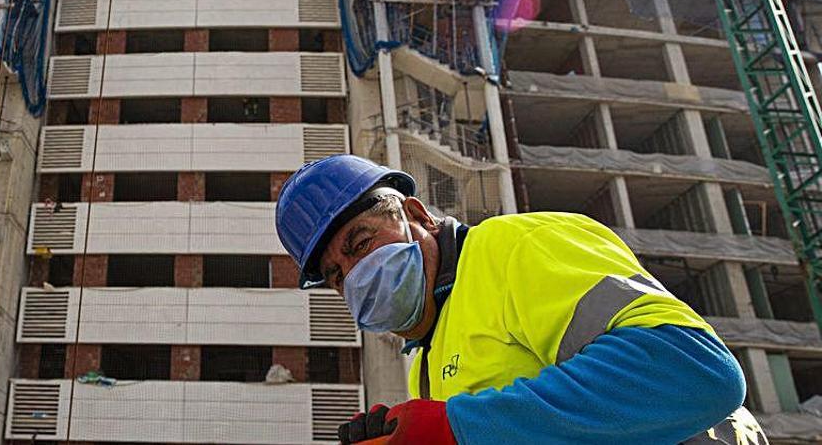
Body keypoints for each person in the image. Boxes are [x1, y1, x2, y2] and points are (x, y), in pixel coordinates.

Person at [274, 155, 767, 444]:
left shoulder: (511, 248)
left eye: (361, 243)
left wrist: (456, 428)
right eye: (336, 275)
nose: (356, 276)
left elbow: (693, 373)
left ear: (418, 215)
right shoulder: (425, 359)